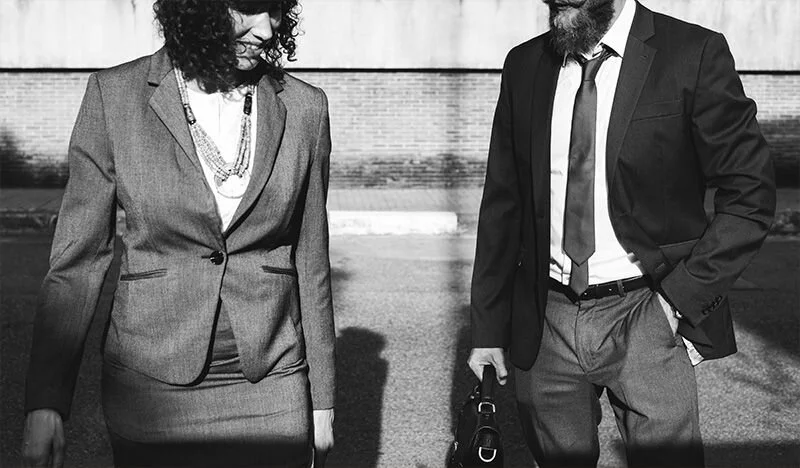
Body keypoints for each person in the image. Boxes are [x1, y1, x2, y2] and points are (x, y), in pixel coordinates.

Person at [22, 0, 335, 466]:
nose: (267, 30)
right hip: (152, 382)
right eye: (249, 9)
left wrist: (323, 400)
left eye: (274, 11)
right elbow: (78, 261)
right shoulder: (116, 96)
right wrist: (46, 401)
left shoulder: (304, 106)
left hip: (272, 377)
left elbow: (310, 261)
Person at [468, 0, 775, 466]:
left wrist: (676, 303)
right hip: (546, 318)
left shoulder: (691, 53)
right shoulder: (525, 64)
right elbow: (502, 206)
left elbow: (750, 194)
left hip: (646, 312)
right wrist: (488, 330)